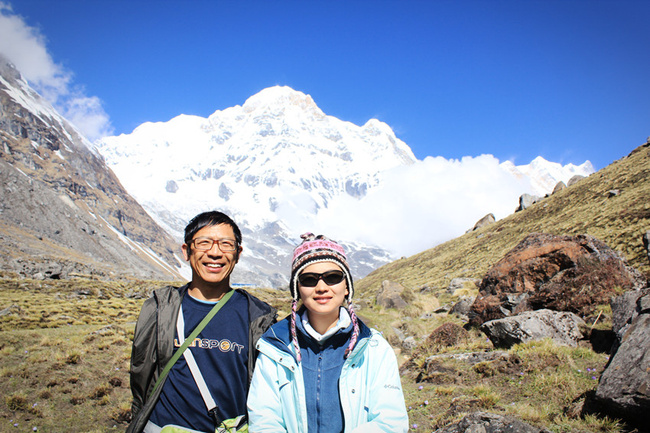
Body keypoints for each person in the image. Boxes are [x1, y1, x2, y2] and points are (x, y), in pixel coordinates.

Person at [127, 211, 277, 433]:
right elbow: (141, 374)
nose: (215, 253)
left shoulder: (258, 316)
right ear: (187, 251)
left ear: (238, 253)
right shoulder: (160, 309)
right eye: (204, 243)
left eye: (226, 244)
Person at [247, 233, 409, 432]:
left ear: (346, 286)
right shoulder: (275, 346)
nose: (321, 287)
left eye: (333, 277)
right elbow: (264, 420)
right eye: (309, 280)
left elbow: (390, 422)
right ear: (297, 289)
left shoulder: (374, 348)